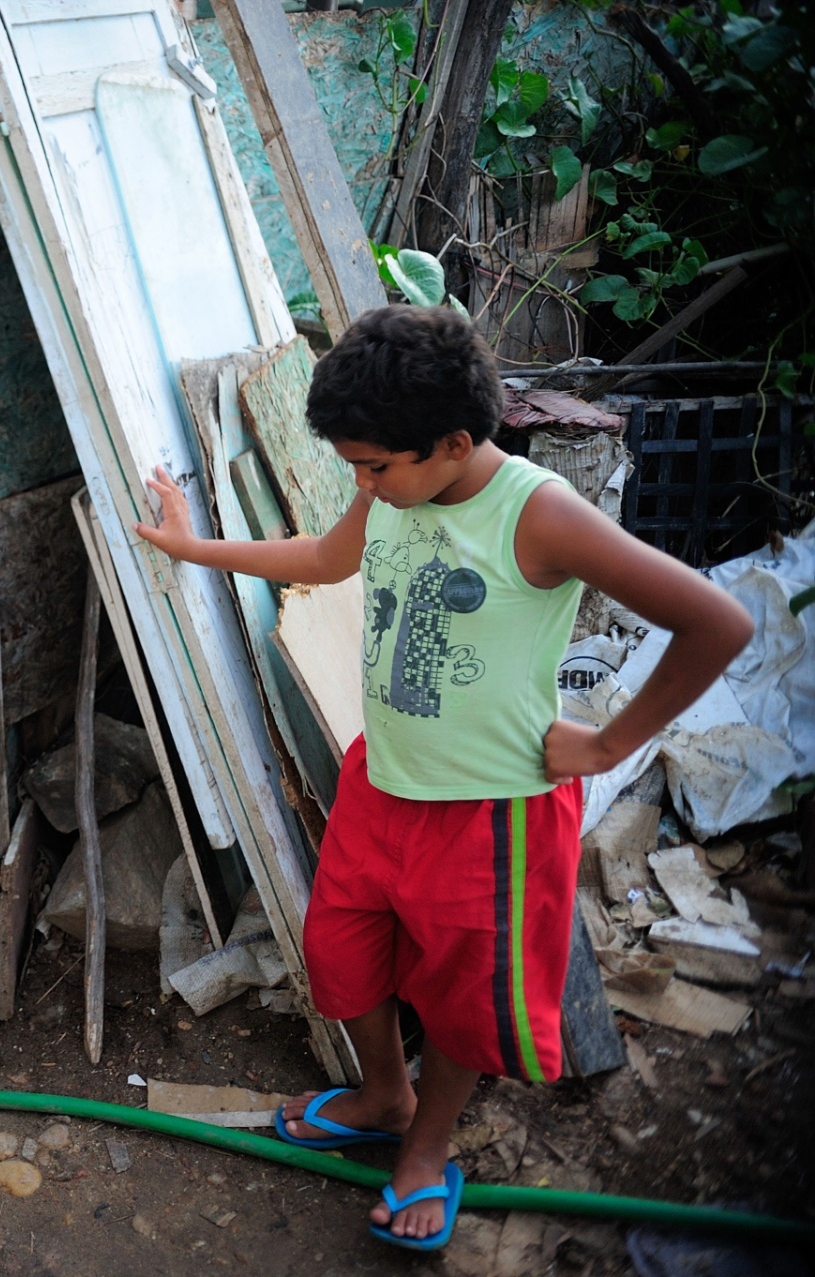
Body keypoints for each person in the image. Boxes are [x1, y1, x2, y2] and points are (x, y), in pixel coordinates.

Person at [134, 306, 753, 1250]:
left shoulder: (537, 512)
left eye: (375, 466)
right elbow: (324, 558)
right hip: (383, 786)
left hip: (491, 819)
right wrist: (192, 549)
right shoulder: (391, 489)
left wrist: (604, 743)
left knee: (466, 1000)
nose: (364, 484)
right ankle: (385, 1094)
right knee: (343, 958)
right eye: (355, 466)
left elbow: (717, 621)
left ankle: (424, 1149)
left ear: (454, 443)